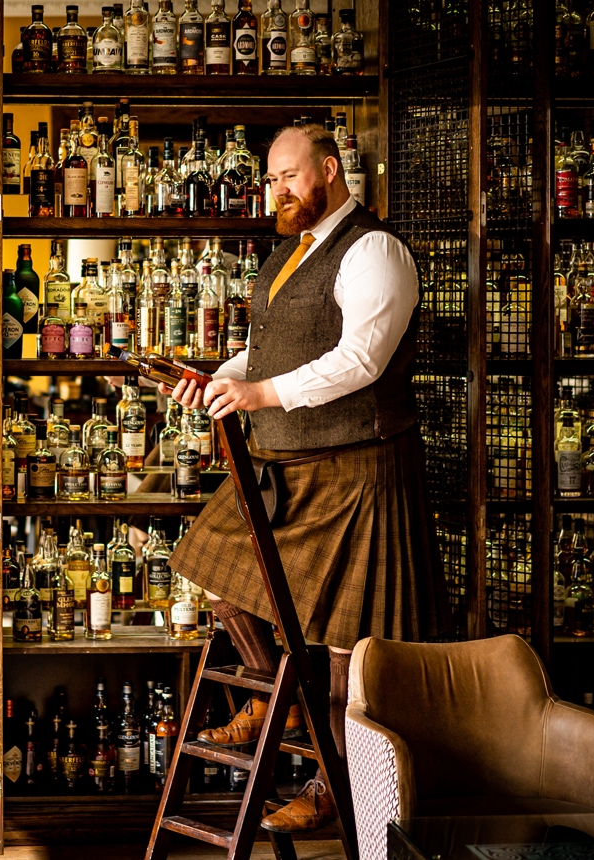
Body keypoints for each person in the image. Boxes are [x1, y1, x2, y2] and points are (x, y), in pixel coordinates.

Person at [164, 125, 448, 833]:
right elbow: (260, 352)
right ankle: (273, 694)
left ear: (329, 169)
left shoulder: (375, 250)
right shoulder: (288, 255)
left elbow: (363, 359)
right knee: (217, 572)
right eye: (271, 180)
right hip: (283, 466)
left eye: (289, 176)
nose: (278, 191)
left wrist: (260, 396)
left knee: (351, 649)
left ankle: (336, 791)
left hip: (360, 469)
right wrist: (216, 379)